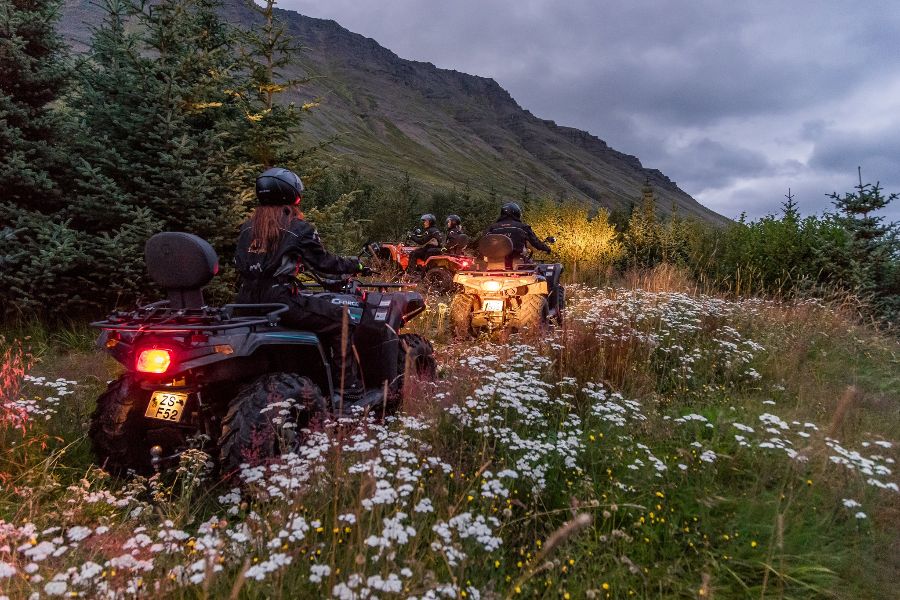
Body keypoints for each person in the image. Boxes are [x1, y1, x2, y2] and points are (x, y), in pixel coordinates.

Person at [234, 167, 372, 401]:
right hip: (280, 300)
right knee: (343, 319)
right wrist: (355, 266)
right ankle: (347, 389)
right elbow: (323, 263)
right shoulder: (297, 228)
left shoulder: (247, 228)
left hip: (245, 301)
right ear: (292, 195)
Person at [486, 202, 551, 259]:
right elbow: (536, 243)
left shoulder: (492, 228)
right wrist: (547, 248)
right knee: (533, 266)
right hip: (517, 260)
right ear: (517, 213)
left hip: (494, 262)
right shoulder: (523, 227)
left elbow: (481, 241)